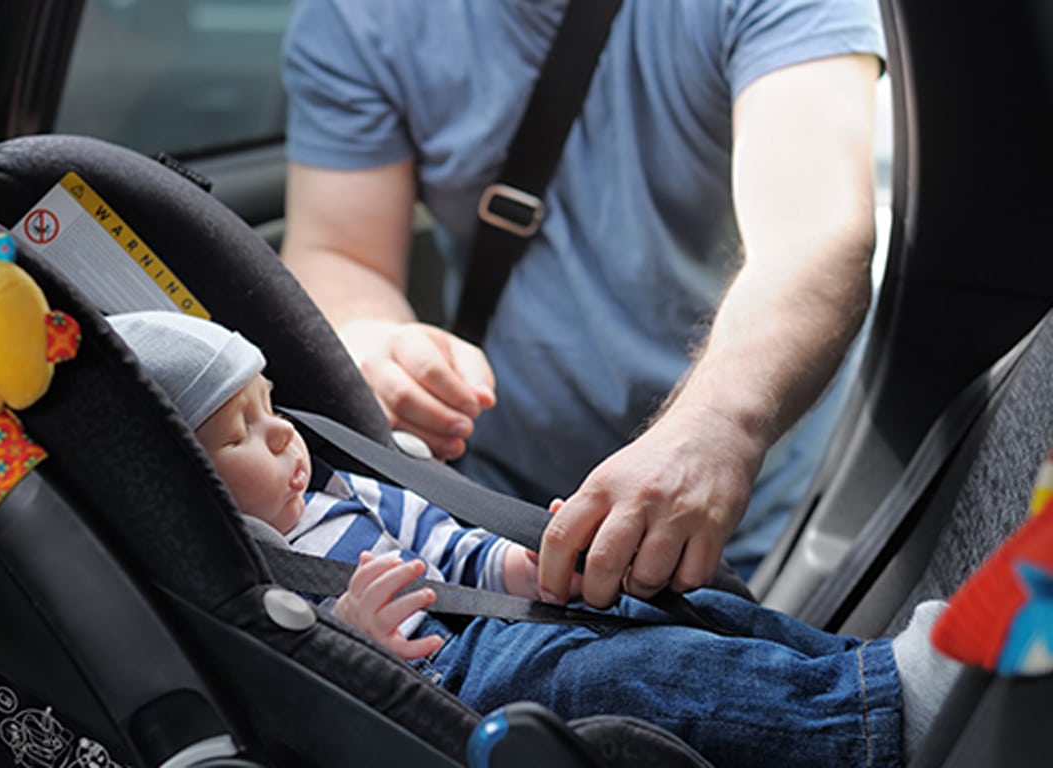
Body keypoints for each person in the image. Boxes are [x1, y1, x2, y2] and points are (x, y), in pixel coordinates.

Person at [108, 311, 959, 768]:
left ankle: (859, 670)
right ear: (187, 481)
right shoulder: (252, 577)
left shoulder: (345, 491)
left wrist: (522, 564)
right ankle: (880, 720)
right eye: (239, 436)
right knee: (635, 674)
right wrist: (359, 636)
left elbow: (447, 546)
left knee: (688, 606)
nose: (283, 437)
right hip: (452, 678)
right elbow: (299, 675)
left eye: (272, 409)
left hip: (502, 617)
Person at [277, 0, 887, 600]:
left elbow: (815, 235)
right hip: (500, 507)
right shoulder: (358, 16)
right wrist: (371, 338)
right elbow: (339, 252)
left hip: (757, 501)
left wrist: (720, 424)